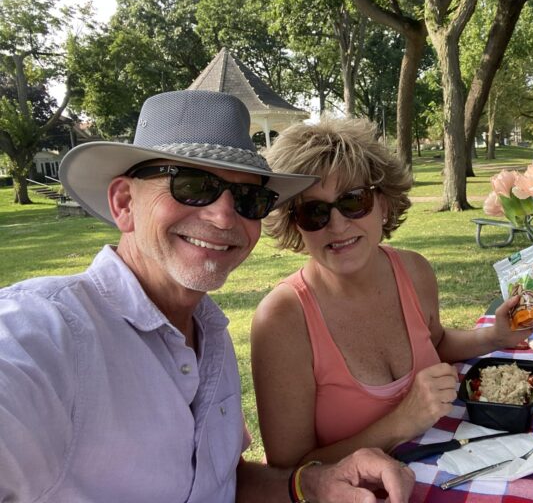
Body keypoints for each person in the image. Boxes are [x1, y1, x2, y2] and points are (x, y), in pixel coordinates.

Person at [0, 90, 414, 503]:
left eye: (250, 199)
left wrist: (311, 485)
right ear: (125, 203)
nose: (223, 215)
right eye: (193, 186)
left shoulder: (209, 335)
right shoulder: (44, 334)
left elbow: (221, 482)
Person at [252, 118, 533, 468]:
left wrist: (495, 336)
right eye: (314, 211)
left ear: (383, 204)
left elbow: (436, 342)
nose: (337, 225)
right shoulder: (282, 320)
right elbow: (289, 471)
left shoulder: (414, 271)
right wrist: (401, 421)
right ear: (295, 223)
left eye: (353, 200)